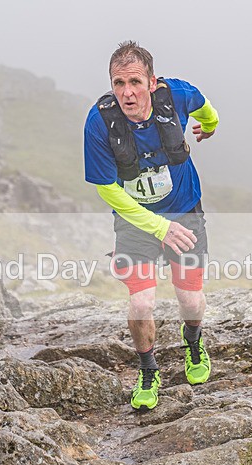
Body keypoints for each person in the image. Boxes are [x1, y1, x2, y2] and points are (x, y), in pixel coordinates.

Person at [84, 41, 219, 410]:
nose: (127, 92)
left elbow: (208, 110)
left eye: (134, 82)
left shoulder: (175, 95)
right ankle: (148, 370)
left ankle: (193, 342)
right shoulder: (100, 122)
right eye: (118, 83)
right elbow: (107, 189)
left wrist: (208, 126)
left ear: (151, 81)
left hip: (185, 211)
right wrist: (158, 228)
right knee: (141, 303)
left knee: (189, 298)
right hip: (135, 221)